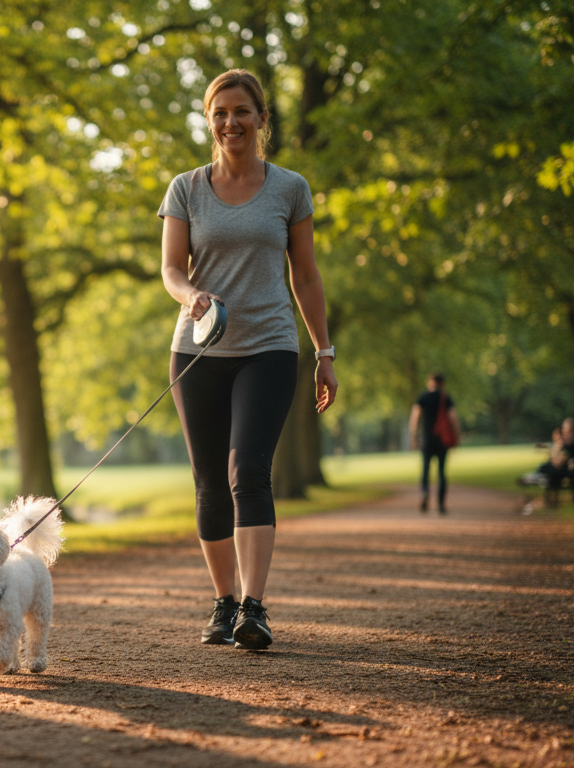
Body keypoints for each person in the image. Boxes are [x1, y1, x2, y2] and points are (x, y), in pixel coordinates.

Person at [160, 69, 337, 650]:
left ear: (262, 118)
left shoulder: (290, 188)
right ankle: (223, 603)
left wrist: (324, 351)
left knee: (247, 472)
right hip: (198, 350)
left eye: (241, 111)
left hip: (269, 347)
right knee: (210, 482)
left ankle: (254, 609)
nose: (230, 122)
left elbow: (305, 276)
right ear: (209, 122)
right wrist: (192, 296)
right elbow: (171, 270)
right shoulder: (186, 187)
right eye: (219, 113)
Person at [408, 373, 460, 514]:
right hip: (442, 440)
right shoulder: (445, 398)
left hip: (426, 439)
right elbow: (453, 417)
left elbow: (415, 416)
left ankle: (424, 494)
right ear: (442, 383)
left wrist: (414, 437)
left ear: (430, 382)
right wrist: (456, 436)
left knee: (425, 470)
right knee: (442, 472)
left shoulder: (423, 397)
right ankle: (441, 502)